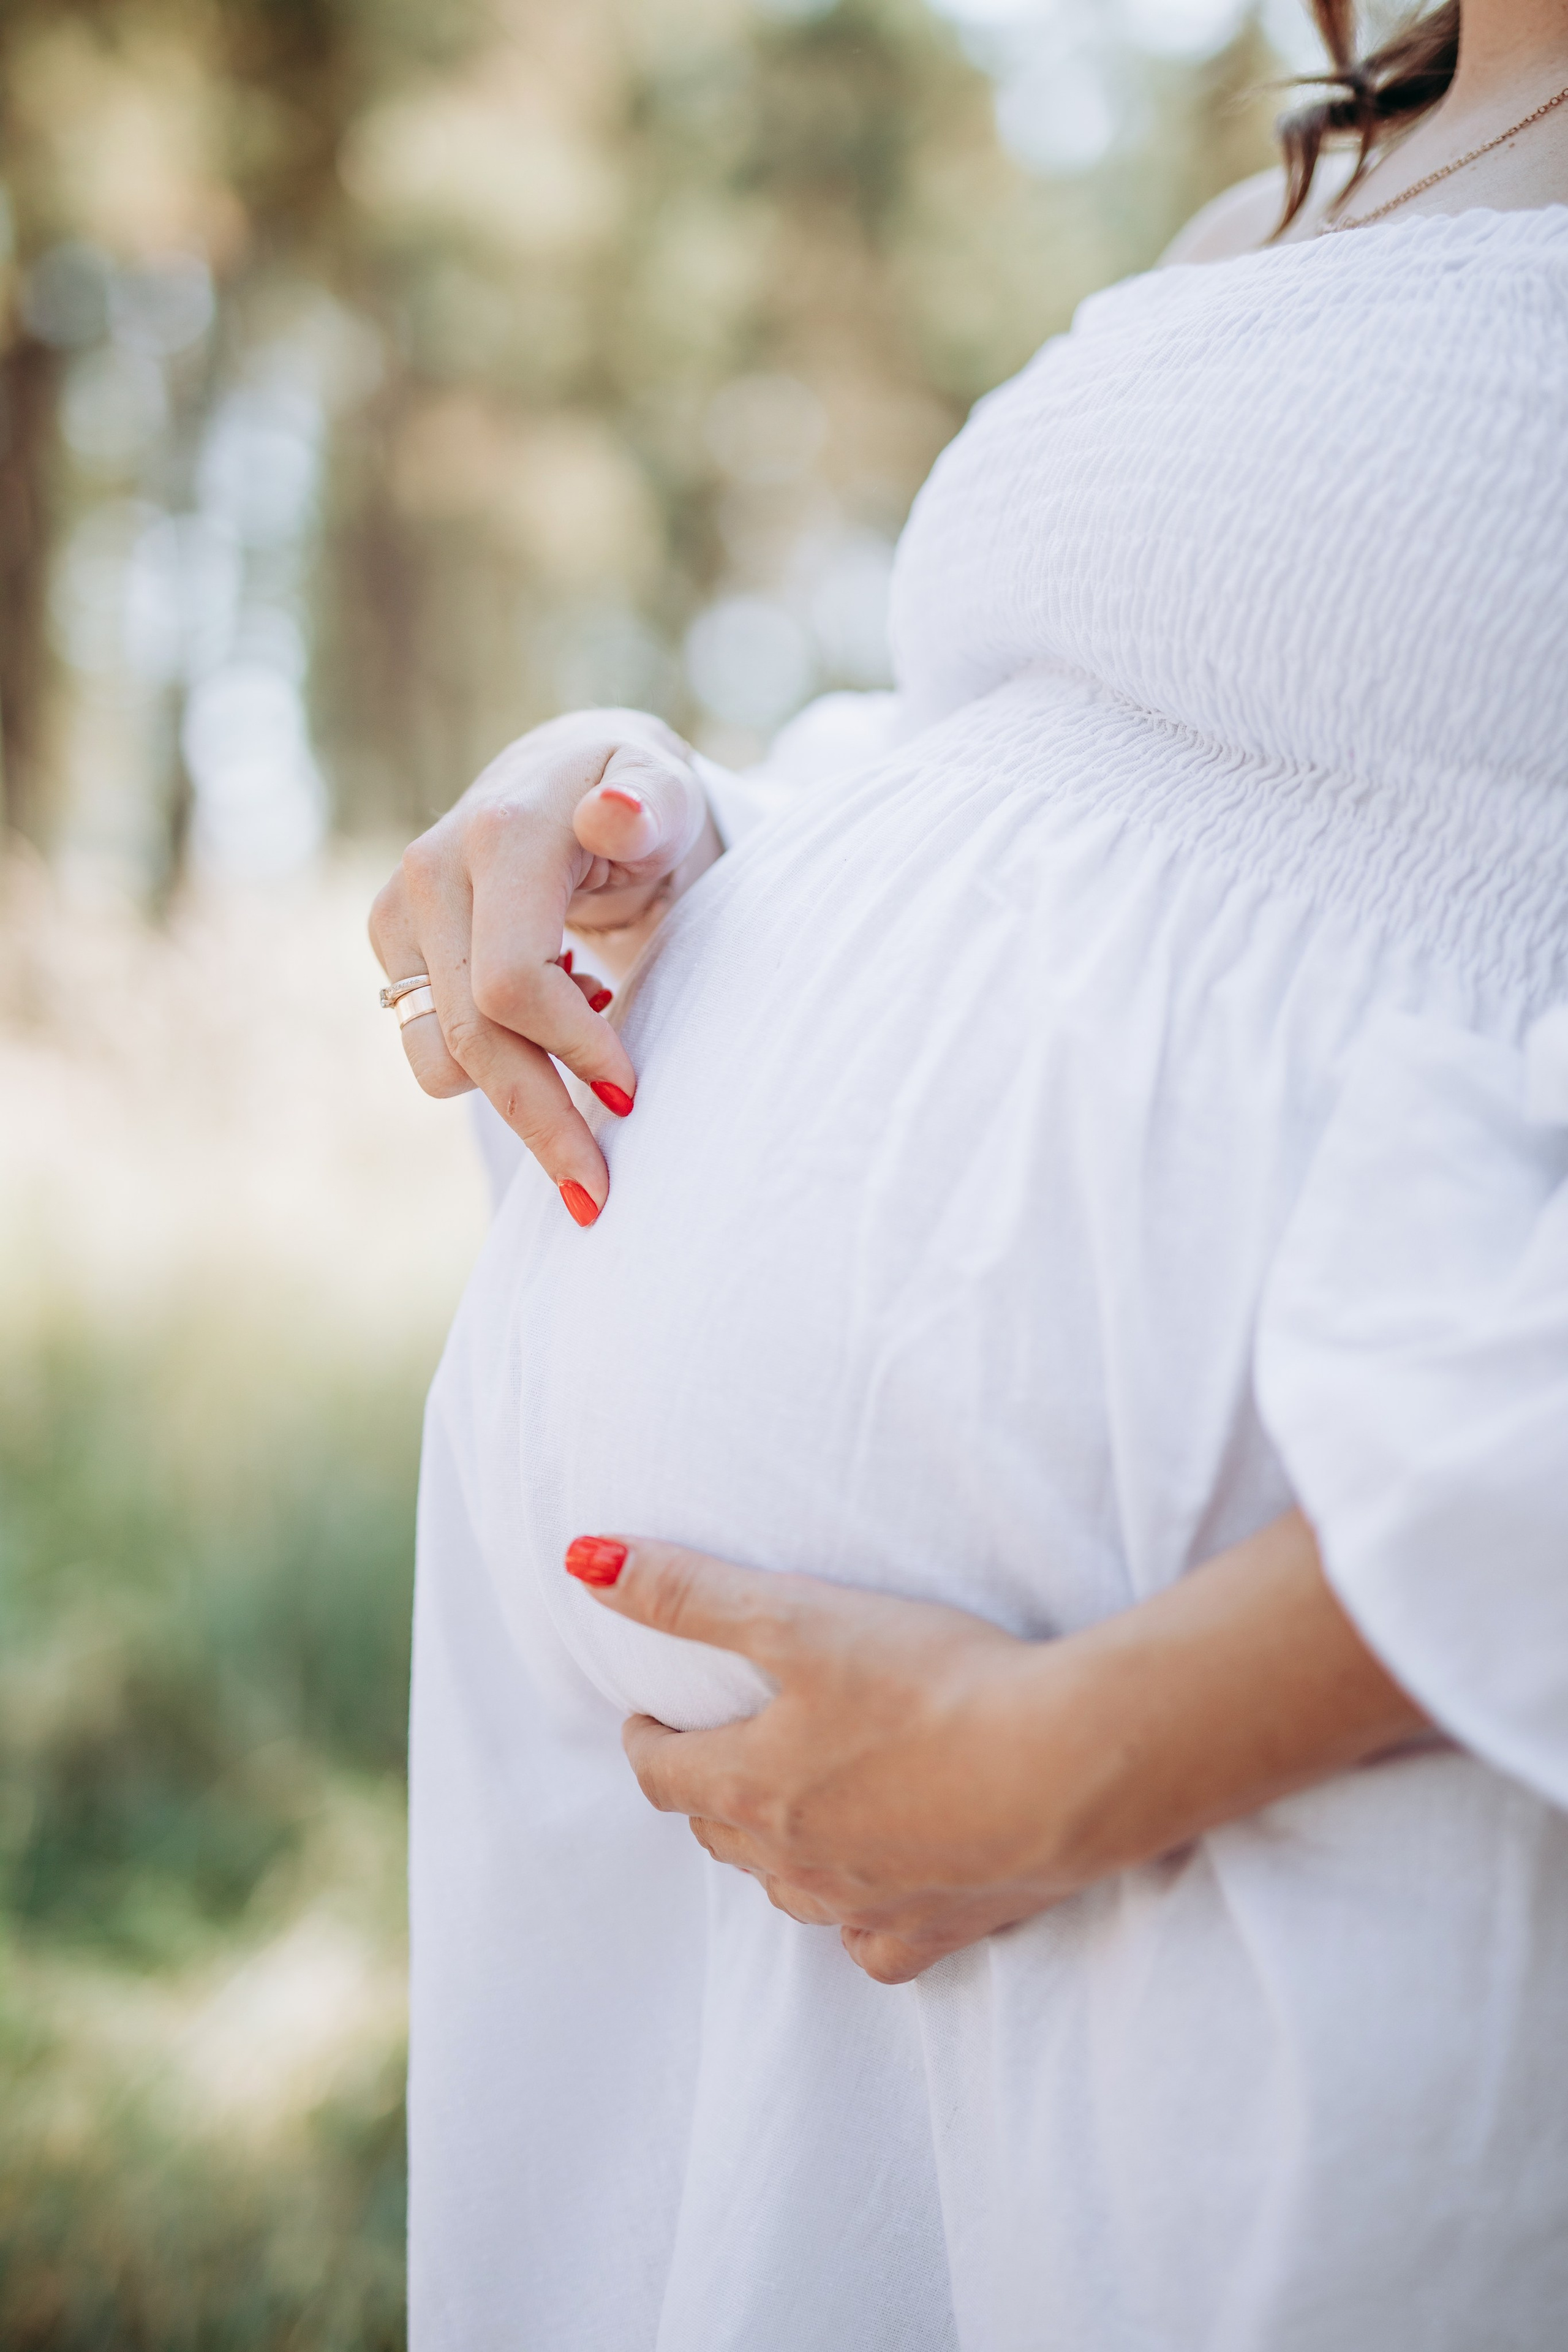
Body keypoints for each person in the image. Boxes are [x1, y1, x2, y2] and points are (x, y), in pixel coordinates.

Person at [371, 2, 1568, 2343]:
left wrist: (1071, 1752)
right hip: (776, 1923)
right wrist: (643, 818)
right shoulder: (1337, 179)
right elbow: (1058, 780)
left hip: (1293, 1800)